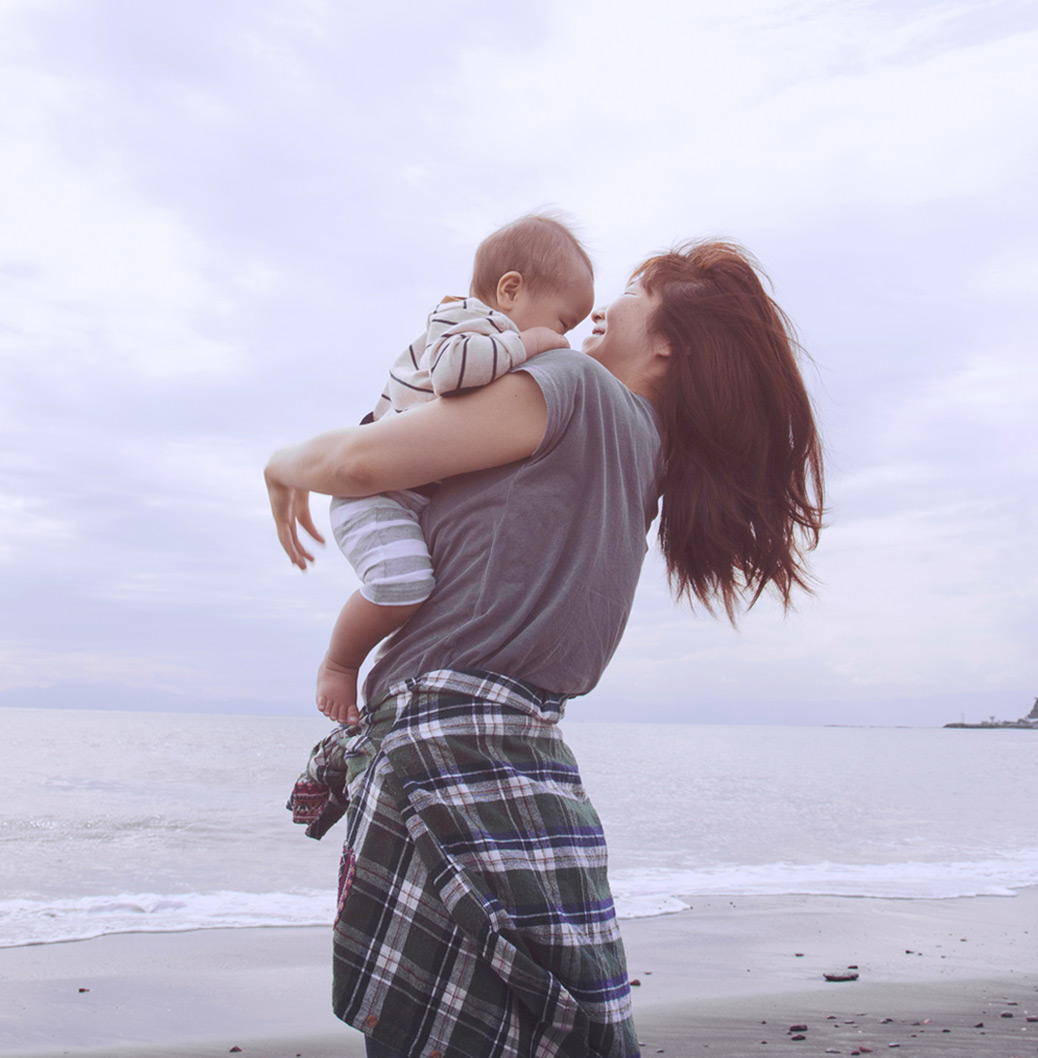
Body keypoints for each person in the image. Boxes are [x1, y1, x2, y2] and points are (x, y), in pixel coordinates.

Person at [266, 239, 824, 1058]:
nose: (605, 307)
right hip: (532, 767)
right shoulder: (649, 471)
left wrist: (282, 466)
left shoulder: (576, 388)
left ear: (670, 344)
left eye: (635, 290)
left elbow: (356, 461)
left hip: (444, 758)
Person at [317, 214, 595, 727]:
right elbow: (452, 375)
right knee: (403, 585)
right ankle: (340, 664)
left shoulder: (494, 340)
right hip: (378, 495)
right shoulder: (461, 318)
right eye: (563, 323)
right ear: (510, 290)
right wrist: (532, 345)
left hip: (412, 496)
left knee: (431, 591)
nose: (565, 340)